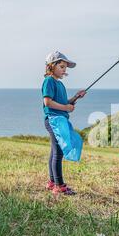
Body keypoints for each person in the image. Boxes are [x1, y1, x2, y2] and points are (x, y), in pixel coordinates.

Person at [42, 51, 86, 197]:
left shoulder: (59, 84)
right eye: (61, 66)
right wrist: (66, 108)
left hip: (59, 119)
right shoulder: (49, 81)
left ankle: (52, 182)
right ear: (51, 66)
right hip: (53, 120)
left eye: (65, 67)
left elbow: (63, 103)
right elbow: (47, 102)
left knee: (55, 151)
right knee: (58, 152)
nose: (64, 70)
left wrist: (75, 98)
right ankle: (59, 185)